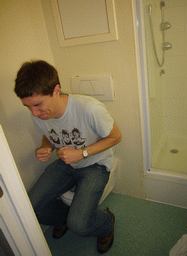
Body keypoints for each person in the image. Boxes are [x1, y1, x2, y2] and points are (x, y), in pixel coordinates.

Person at [14, 60, 122, 254]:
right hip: (66, 164)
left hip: (95, 164)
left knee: (79, 225)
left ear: (56, 90)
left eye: (38, 105)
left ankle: (106, 223)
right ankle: (64, 219)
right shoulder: (38, 114)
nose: (34, 113)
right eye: (28, 107)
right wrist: (45, 147)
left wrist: (82, 153)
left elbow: (116, 137)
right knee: (31, 209)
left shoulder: (89, 108)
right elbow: (47, 136)